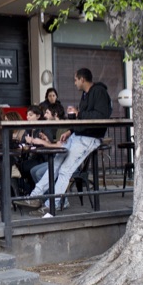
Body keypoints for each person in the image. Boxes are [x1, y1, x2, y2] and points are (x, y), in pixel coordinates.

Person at [16, 68, 111, 217]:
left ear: (82, 79)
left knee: (65, 171)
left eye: (75, 80)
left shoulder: (99, 92)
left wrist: (79, 114)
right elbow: (82, 119)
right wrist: (70, 131)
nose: (74, 83)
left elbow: (102, 115)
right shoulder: (85, 95)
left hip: (89, 138)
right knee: (55, 165)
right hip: (77, 135)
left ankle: (50, 205)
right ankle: (34, 197)